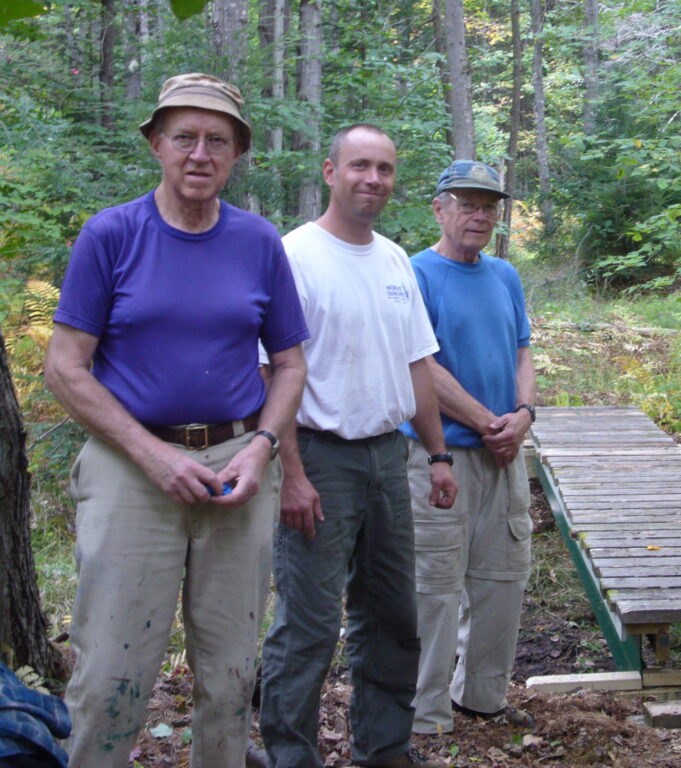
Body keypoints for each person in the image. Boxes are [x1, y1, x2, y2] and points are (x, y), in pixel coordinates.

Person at [44, 73, 309, 768]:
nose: (199, 153)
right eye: (184, 137)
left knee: (229, 678)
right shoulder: (111, 235)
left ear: (236, 154)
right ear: (157, 144)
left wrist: (260, 449)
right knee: (109, 677)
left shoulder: (258, 243)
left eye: (216, 140)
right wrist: (149, 454)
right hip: (131, 467)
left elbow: (289, 364)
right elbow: (66, 367)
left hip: (235, 473)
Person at [258, 125, 456, 768]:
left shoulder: (396, 260)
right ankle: (291, 755)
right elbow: (273, 372)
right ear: (330, 171)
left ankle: (385, 748)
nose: (373, 179)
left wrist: (439, 455)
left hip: (387, 457)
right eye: (360, 166)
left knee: (392, 616)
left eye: (385, 169)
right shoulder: (294, 256)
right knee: (309, 624)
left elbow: (417, 365)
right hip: (319, 456)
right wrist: (290, 473)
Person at [400, 161, 536, 735]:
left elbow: (524, 348)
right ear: (439, 208)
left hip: (505, 456)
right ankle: (424, 715)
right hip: (440, 459)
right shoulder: (416, 274)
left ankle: (482, 698)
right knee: (433, 587)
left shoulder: (504, 275)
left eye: (488, 206)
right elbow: (420, 367)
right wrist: (487, 421)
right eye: (466, 203)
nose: (479, 215)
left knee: (504, 578)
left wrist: (523, 416)